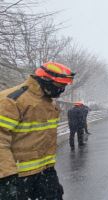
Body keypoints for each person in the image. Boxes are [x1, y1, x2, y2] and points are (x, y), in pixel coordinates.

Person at [0, 62, 75, 200]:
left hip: (45, 172)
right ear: (45, 79)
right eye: (60, 85)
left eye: (64, 86)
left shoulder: (48, 102)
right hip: (18, 177)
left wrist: (50, 174)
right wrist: (7, 179)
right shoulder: (12, 100)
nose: (61, 90)